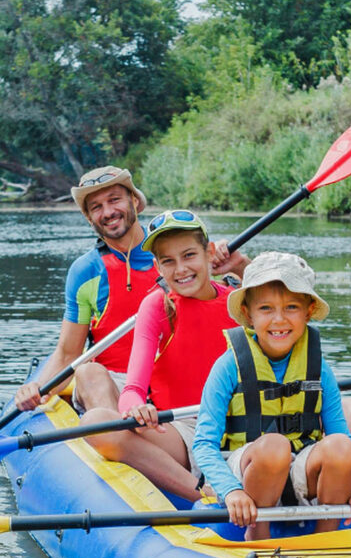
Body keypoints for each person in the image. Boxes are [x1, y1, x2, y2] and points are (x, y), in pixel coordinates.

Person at [191, 251, 351, 540]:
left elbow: (342, 434)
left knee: (341, 445)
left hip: (299, 468)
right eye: (266, 308)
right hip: (248, 469)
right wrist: (231, 490)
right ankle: (258, 534)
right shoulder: (228, 365)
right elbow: (204, 444)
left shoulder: (319, 367)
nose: (279, 320)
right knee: (274, 447)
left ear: (308, 310)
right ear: (248, 314)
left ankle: (324, 537)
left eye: (291, 307)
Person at [80, 210, 249, 500]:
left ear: (210, 253)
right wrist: (135, 408)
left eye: (189, 255)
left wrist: (245, 266)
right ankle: (204, 494)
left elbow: (291, 312)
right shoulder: (157, 306)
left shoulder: (241, 298)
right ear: (158, 267)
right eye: (168, 261)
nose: (180, 269)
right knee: (96, 421)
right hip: (185, 431)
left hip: (243, 429)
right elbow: (133, 389)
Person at [13, 165, 157, 413]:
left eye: (114, 200)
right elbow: (69, 353)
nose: (108, 212)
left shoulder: (171, 253)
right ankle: (118, 440)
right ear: (89, 218)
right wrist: (38, 388)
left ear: (134, 201)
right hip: (112, 383)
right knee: (88, 372)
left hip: (173, 380)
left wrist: (236, 265)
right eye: (96, 207)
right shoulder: (86, 271)